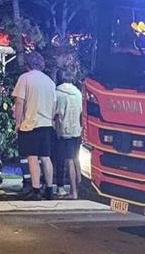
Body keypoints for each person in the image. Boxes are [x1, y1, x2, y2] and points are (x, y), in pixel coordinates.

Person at [13, 51, 56, 200]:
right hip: (46, 124)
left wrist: (17, 122)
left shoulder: (25, 78)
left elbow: (19, 102)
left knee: (32, 157)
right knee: (46, 157)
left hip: (30, 124)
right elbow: (54, 105)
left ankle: (36, 189)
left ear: (28, 64)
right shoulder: (49, 82)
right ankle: (50, 189)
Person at [54, 70, 82, 200]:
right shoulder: (78, 93)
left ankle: (73, 192)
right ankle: (78, 188)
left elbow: (55, 112)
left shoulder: (58, 93)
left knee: (68, 160)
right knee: (76, 160)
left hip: (64, 131)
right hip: (77, 130)